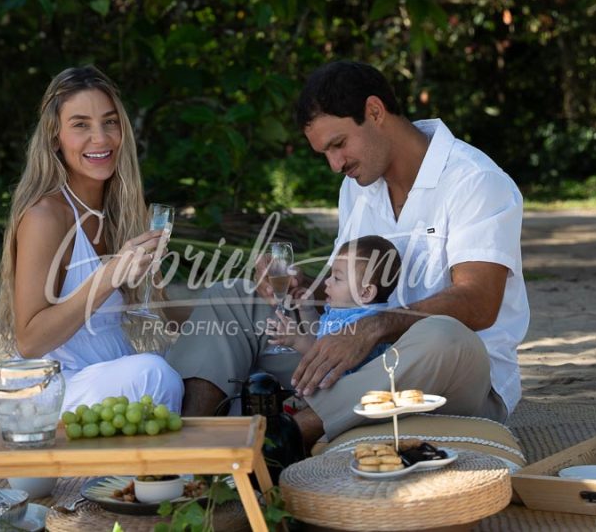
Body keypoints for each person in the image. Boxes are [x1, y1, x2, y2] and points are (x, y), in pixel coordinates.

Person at [165, 60, 529, 447]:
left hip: (447, 376)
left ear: (375, 112)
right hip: (358, 368)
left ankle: (287, 439)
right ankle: (190, 446)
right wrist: (305, 287)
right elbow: (349, 291)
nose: (335, 164)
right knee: (232, 296)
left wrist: (371, 328)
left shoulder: (475, 181)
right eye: (325, 152)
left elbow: (479, 302)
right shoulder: (358, 185)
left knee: (445, 336)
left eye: (338, 144)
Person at [0, 65, 183, 413]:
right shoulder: (45, 215)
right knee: (155, 375)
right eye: (81, 125)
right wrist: (109, 276)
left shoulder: (122, 214)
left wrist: (230, 302)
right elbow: (30, 340)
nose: (101, 138)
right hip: (48, 391)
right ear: (55, 137)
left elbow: (167, 315)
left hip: (109, 379)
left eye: (109, 122)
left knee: (206, 365)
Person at [266, 235, 401, 377]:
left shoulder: (360, 322)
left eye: (337, 278)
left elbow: (325, 356)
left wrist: (296, 340)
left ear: (366, 293)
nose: (327, 282)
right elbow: (319, 336)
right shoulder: (344, 311)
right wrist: (307, 310)